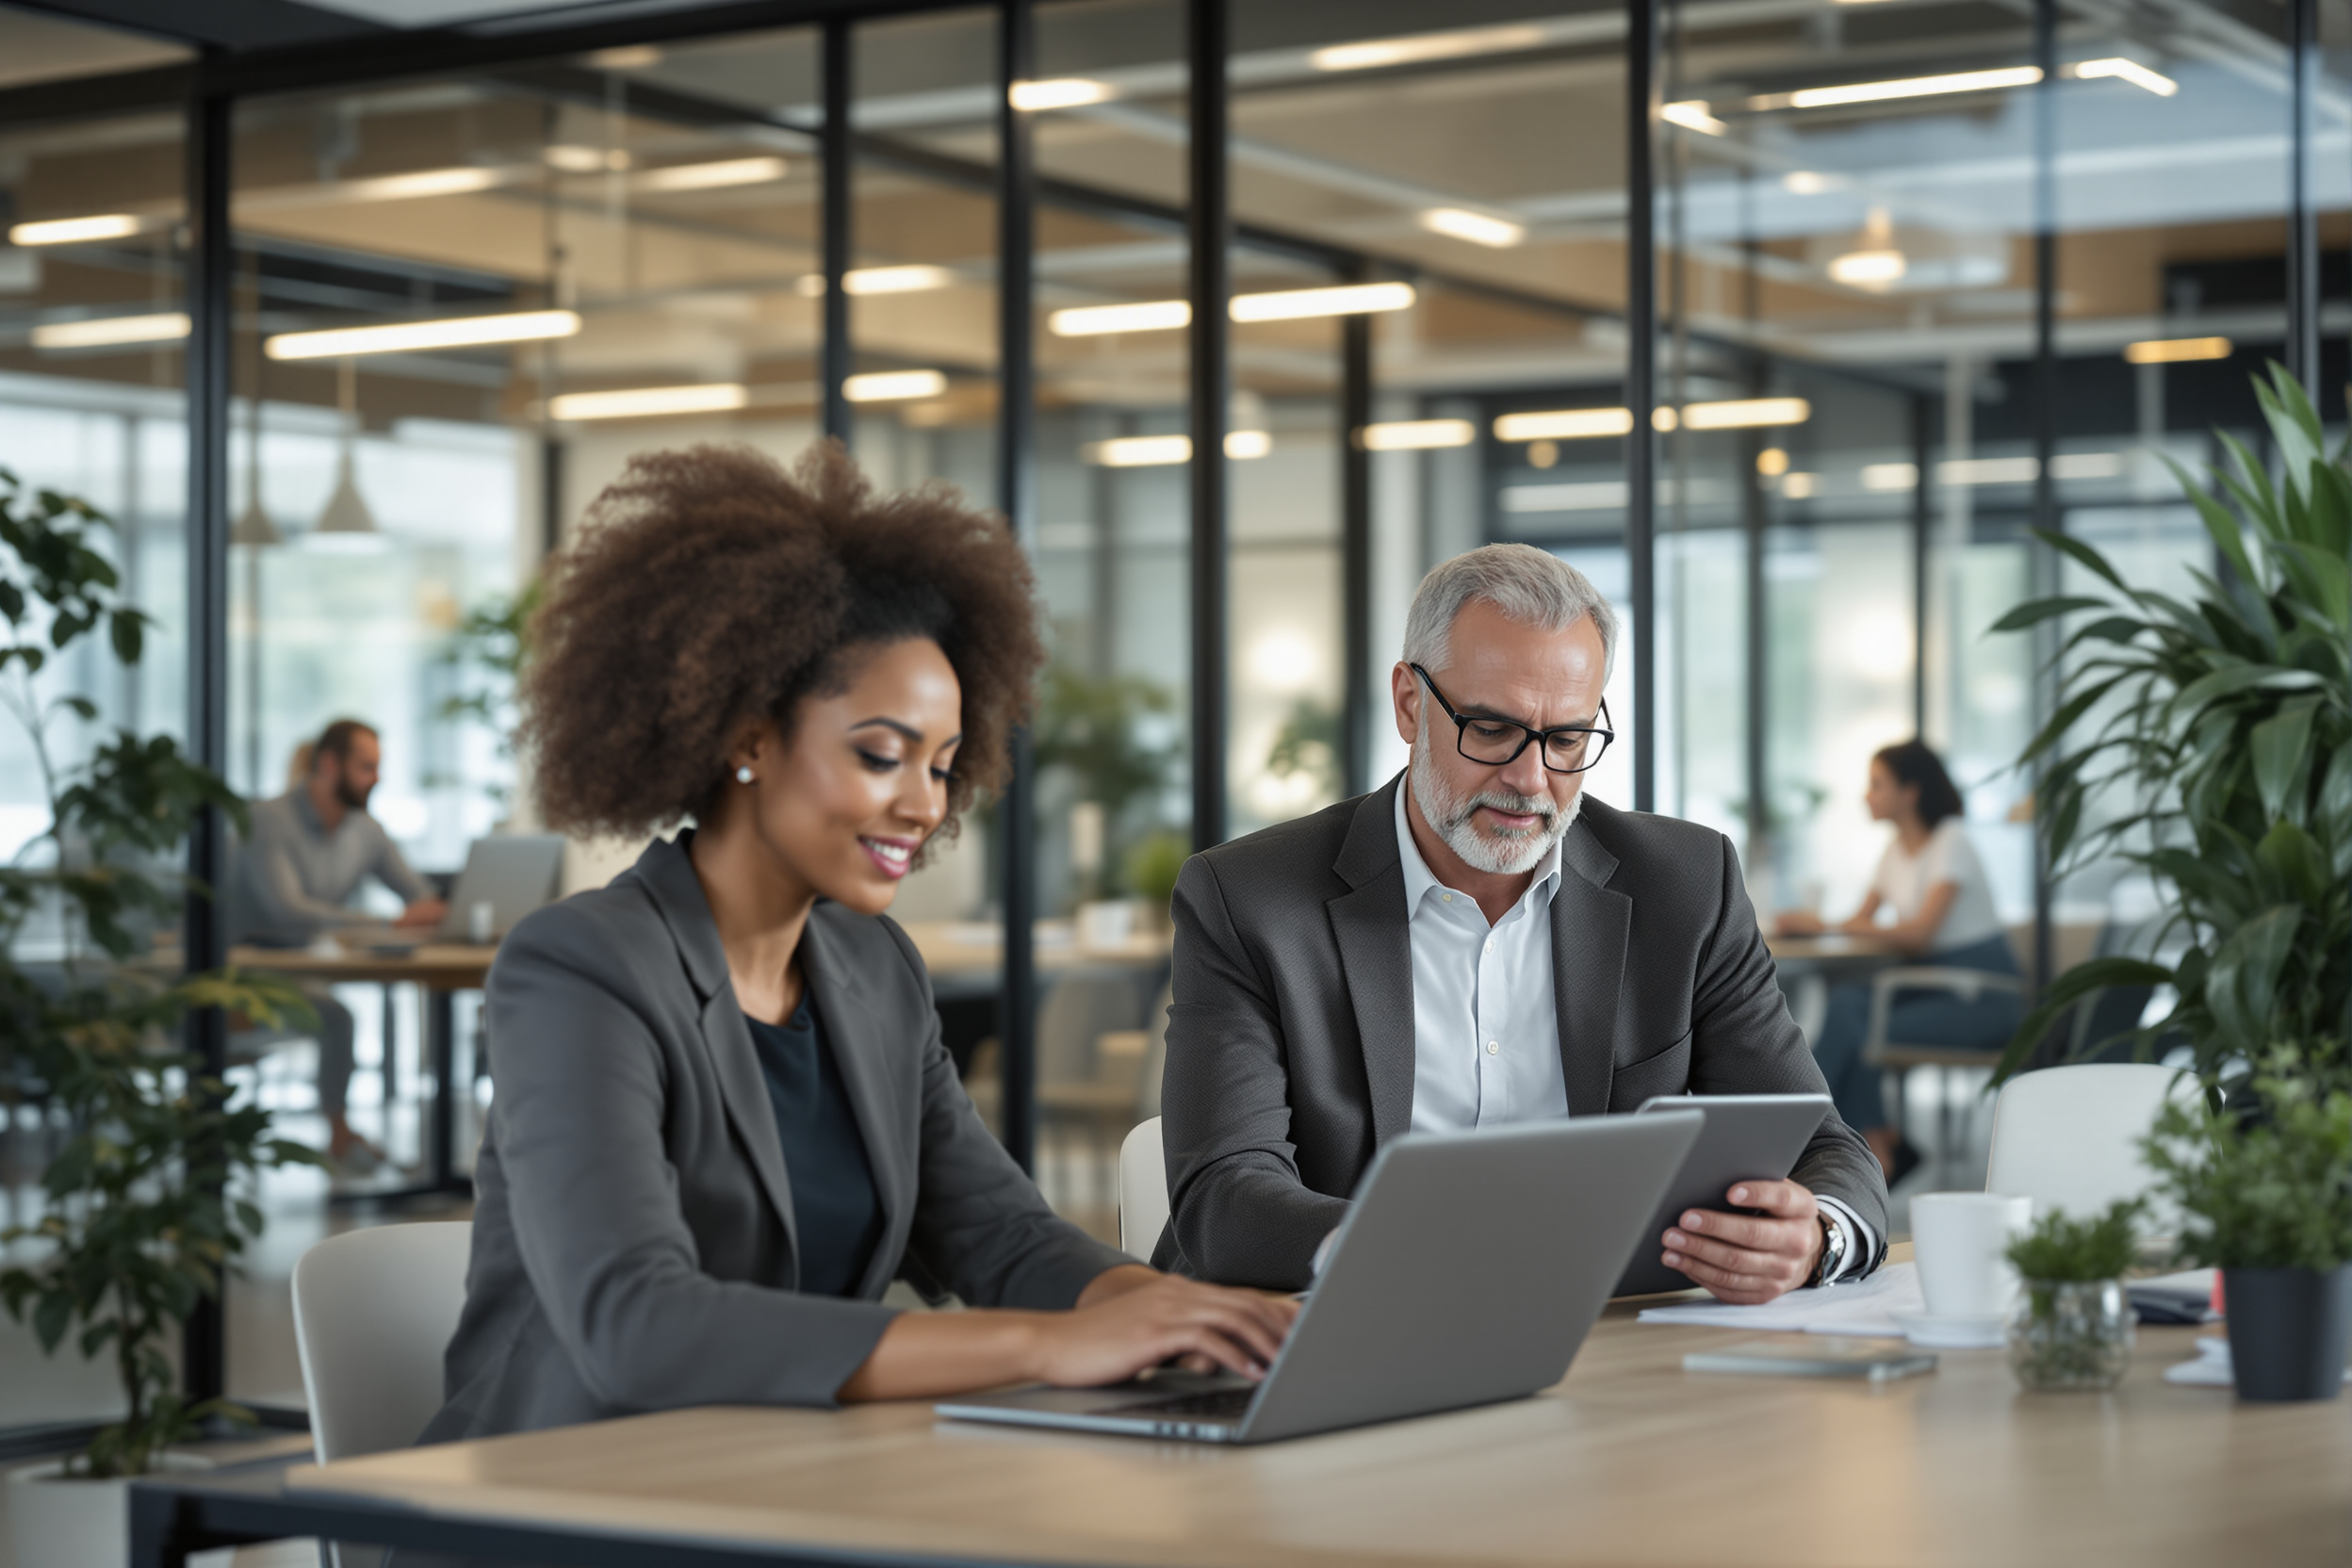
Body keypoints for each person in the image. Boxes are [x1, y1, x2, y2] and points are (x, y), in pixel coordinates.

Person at [421, 444, 1295, 1443]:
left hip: (788, 1477)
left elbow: (1000, 1235)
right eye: (881, 754)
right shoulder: (581, 967)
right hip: (565, 1493)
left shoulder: (873, 971)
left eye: (944, 764)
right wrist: (1043, 1346)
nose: (924, 803)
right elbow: (638, 1325)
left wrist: (1186, 1313)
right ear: (747, 736)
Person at [1157, 544, 1888, 1304]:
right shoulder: (1249, 899)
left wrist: (1816, 1237)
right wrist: (1418, 1253)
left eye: (1567, 739)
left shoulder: (1686, 886)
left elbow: (1826, 1150)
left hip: (1607, 1346)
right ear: (1411, 705)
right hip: (1340, 1324)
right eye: (1493, 729)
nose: (1530, 779)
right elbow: (1225, 1194)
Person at [1775, 740, 2019, 1183]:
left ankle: (1805, 1125)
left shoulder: (1951, 841)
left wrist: (1835, 926)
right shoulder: (1893, 853)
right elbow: (1859, 921)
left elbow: (1920, 934)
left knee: (1858, 1019)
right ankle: (1875, 1139)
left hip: (1982, 999)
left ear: (1911, 792)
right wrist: (1818, 925)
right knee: (1851, 1004)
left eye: (1877, 785)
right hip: (1933, 988)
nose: (1866, 796)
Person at [226, 718, 448, 1168]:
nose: (378, 778)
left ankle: (362, 1145)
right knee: (335, 1017)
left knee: (335, 1015)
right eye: (367, 767)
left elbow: (418, 896)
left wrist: (442, 912)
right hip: (238, 981)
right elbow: (288, 911)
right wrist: (387, 926)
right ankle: (341, 1137)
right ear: (329, 765)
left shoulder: (365, 830)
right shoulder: (267, 820)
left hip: (300, 974)